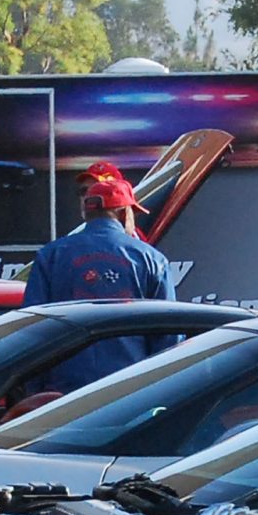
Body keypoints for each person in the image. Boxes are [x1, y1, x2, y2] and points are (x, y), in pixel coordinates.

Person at [19, 167, 172, 395]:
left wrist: (35, 392)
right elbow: (168, 334)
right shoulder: (152, 258)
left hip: (63, 392)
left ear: (87, 213)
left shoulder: (51, 255)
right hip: (130, 390)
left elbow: (32, 328)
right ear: (123, 214)